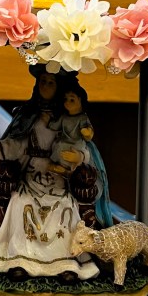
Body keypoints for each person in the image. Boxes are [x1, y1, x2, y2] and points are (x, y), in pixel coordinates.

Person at [0, 68, 100, 282]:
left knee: (65, 207)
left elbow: (84, 148)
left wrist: (76, 157)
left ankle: (67, 263)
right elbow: (15, 145)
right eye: (43, 81)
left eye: (51, 82)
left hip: (59, 180)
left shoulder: (70, 118)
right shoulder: (28, 118)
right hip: (31, 177)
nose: (45, 86)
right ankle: (20, 260)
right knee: (20, 202)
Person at [49, 80, 113, 230]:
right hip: (63, 143)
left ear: (81, 102)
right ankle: (62, 169)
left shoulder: (82, 118)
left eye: (72, 100)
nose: (68, 103)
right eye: (65, 100)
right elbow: (54, 126)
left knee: (76, 159)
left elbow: (88, 134)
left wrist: (87, 133)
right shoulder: (64, 118)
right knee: (58, 149)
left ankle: (69, 171)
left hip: (77, 144)